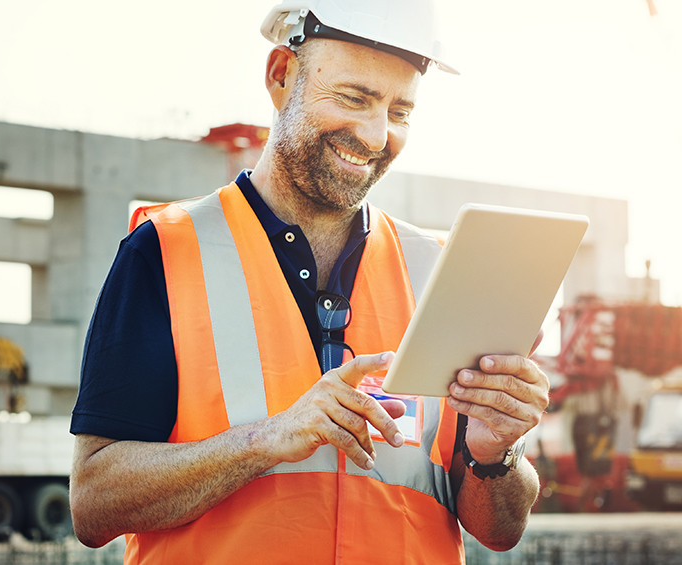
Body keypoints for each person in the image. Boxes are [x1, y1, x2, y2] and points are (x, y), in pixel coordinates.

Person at [69, 1, 549, 563]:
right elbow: (94, 504)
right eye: (354, 97)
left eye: (400, 111)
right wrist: (265, 441)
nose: (374, 135)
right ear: (280, 76)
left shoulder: (440, 274)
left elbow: (499, 529)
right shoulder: (167, 251)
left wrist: (497, 450)